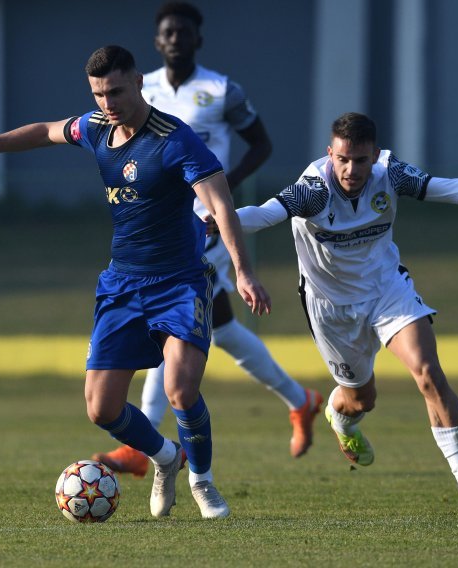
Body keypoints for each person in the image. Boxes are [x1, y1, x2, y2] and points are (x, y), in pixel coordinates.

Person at [0, 45, 270, 520]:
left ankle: (203, 481)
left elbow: (221, 204)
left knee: (181, 388)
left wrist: (245, 271)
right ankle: (168, 457)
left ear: (138, 82)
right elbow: (44, 132)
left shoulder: (176, 139)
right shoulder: (95, 128)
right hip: (122, 284)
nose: (108, 102)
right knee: (101, 409)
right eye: (99, 94)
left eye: (116, 91)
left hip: (180, 282)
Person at [228, 112, 458, 513]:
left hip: (387, 290)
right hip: (330, 308)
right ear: (329, 153)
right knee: (361, 399)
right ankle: (339, 416)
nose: (351, 169)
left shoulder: (391, 173)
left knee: (429, 373)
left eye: (360, 160)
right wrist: (214, 220)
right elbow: (263, 214)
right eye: (343, 159)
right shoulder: (313, 189)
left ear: (373, 156)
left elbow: (450, 190)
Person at [92, 1, 323, 480]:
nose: (175, 38)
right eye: (167, 32)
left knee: (173, 323)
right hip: (158, 226)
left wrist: (225, 186)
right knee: (219, 330)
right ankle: (300, 400)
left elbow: (261, 143)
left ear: (198, 38)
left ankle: (146, 443)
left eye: (183, 31)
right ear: (156, 41)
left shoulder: (221, 91)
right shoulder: (138, 87)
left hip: (204, 224)